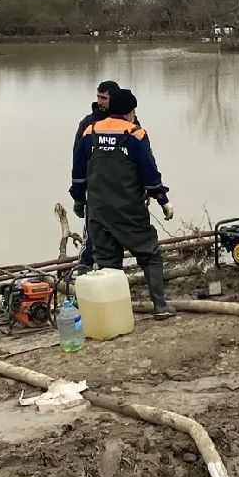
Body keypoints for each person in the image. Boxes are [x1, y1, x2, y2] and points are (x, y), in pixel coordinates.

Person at [71, 87, 176, 318]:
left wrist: (79, 199)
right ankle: (160, 306)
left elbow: (78, 172)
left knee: (108, 263)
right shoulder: (136, 134)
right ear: (129, 112)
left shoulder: (91, 131)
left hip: (98, 211)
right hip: (129, 210)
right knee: (150, 254)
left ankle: (113, 314)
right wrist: (163, 200)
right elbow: (150, 174)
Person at [72, 81, 122, 273]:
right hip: (95, 193)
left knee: (121, 239)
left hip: (122, 194)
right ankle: (82, 278)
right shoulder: (87, 124)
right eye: (98, 97)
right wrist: (78, 197)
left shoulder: (129, 122)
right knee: (92, 241)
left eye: (104, 98)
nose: (100, 102)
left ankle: (113, 278)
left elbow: (142, 160)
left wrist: (144, 190)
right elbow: (77, 162)